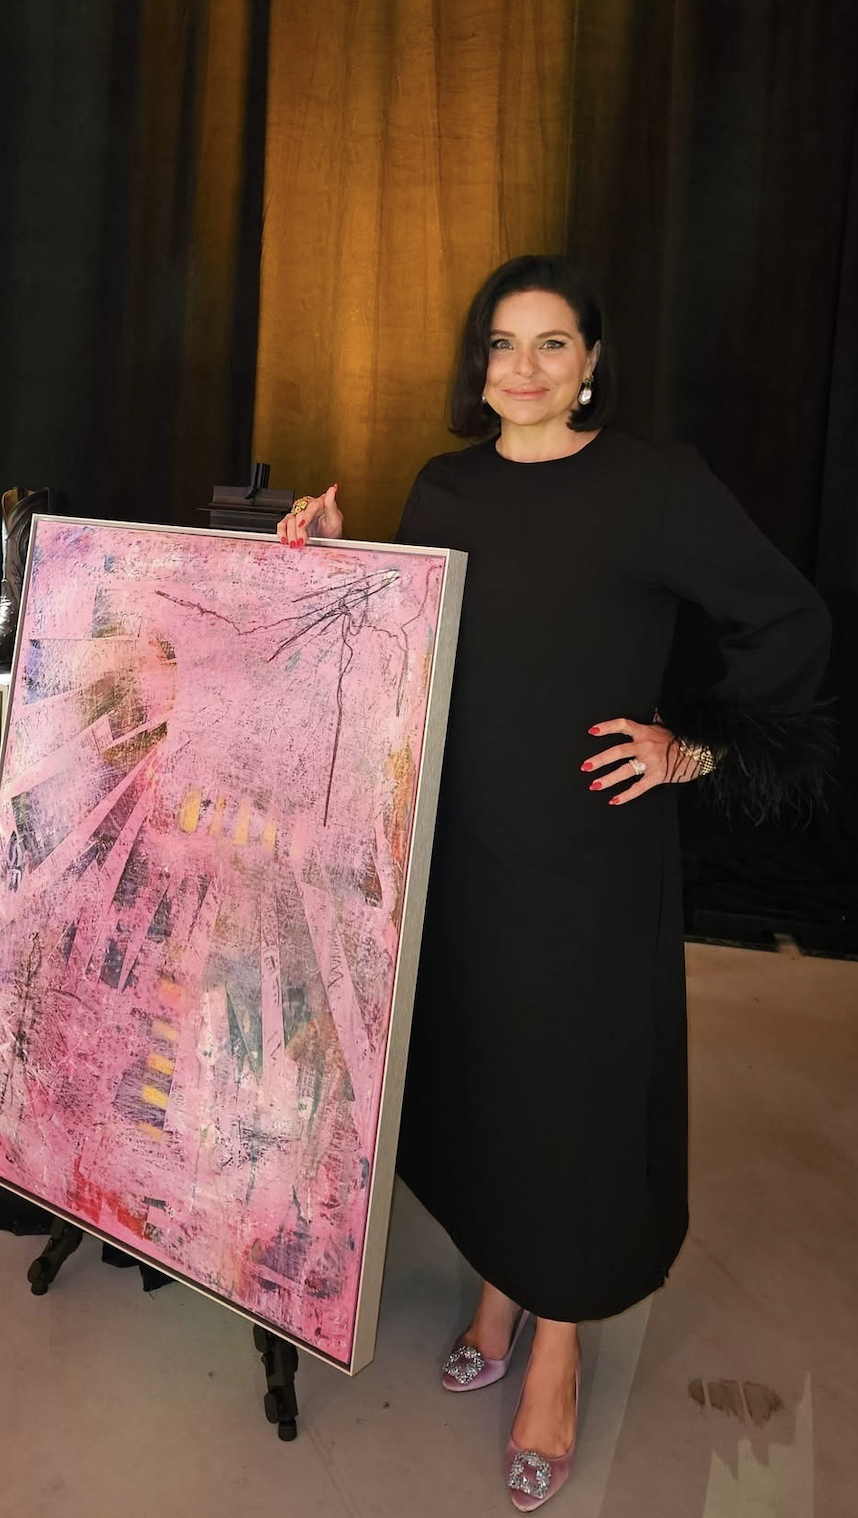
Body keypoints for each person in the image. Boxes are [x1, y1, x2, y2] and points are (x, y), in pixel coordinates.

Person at [277, 254, 830, 1511]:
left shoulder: (651, 487)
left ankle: (560, 1346)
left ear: (591, 362)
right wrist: (325, 561)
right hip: (458, 838)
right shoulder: (446, 484)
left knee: (570, 1086)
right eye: (501, 346)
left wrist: (695, 748)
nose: (522, 369)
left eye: (551, 344)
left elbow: (787, 620)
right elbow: (404, 639)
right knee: (478, 1065)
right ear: (477, 364)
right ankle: (496, 1277)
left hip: (583, 852)